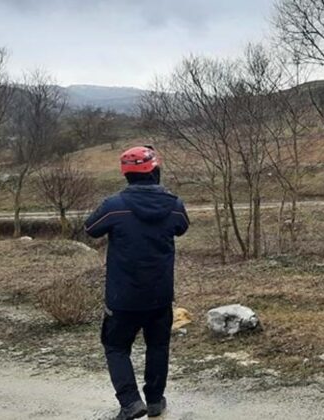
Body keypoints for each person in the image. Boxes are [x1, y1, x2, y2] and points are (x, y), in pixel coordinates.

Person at [84, 146, 189, 420]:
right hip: (160, 294)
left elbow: (90, 228)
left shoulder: (113, 206)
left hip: (123, 296)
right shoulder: (174, 205)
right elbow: (182, 227)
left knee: (116, 346)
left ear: (126, 174)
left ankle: (130, 402)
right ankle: (154, 401)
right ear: (155, 170)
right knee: (158, 346)